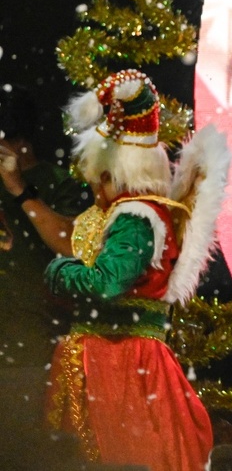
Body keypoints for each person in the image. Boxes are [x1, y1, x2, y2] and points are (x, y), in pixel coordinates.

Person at [44, 69, 227, 471]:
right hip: (121, 360)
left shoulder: (135, 218)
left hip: (119, 364)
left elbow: (108, 282)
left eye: (102, 178)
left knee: (119, 452)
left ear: (117, 173)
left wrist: (60, 271)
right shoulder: (139, 215)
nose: (96, 190)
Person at [0, 83, 93, 467]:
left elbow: (72, 243)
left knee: (26, 456)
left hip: (33, 353)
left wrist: (19, 189)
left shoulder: (60, 184)